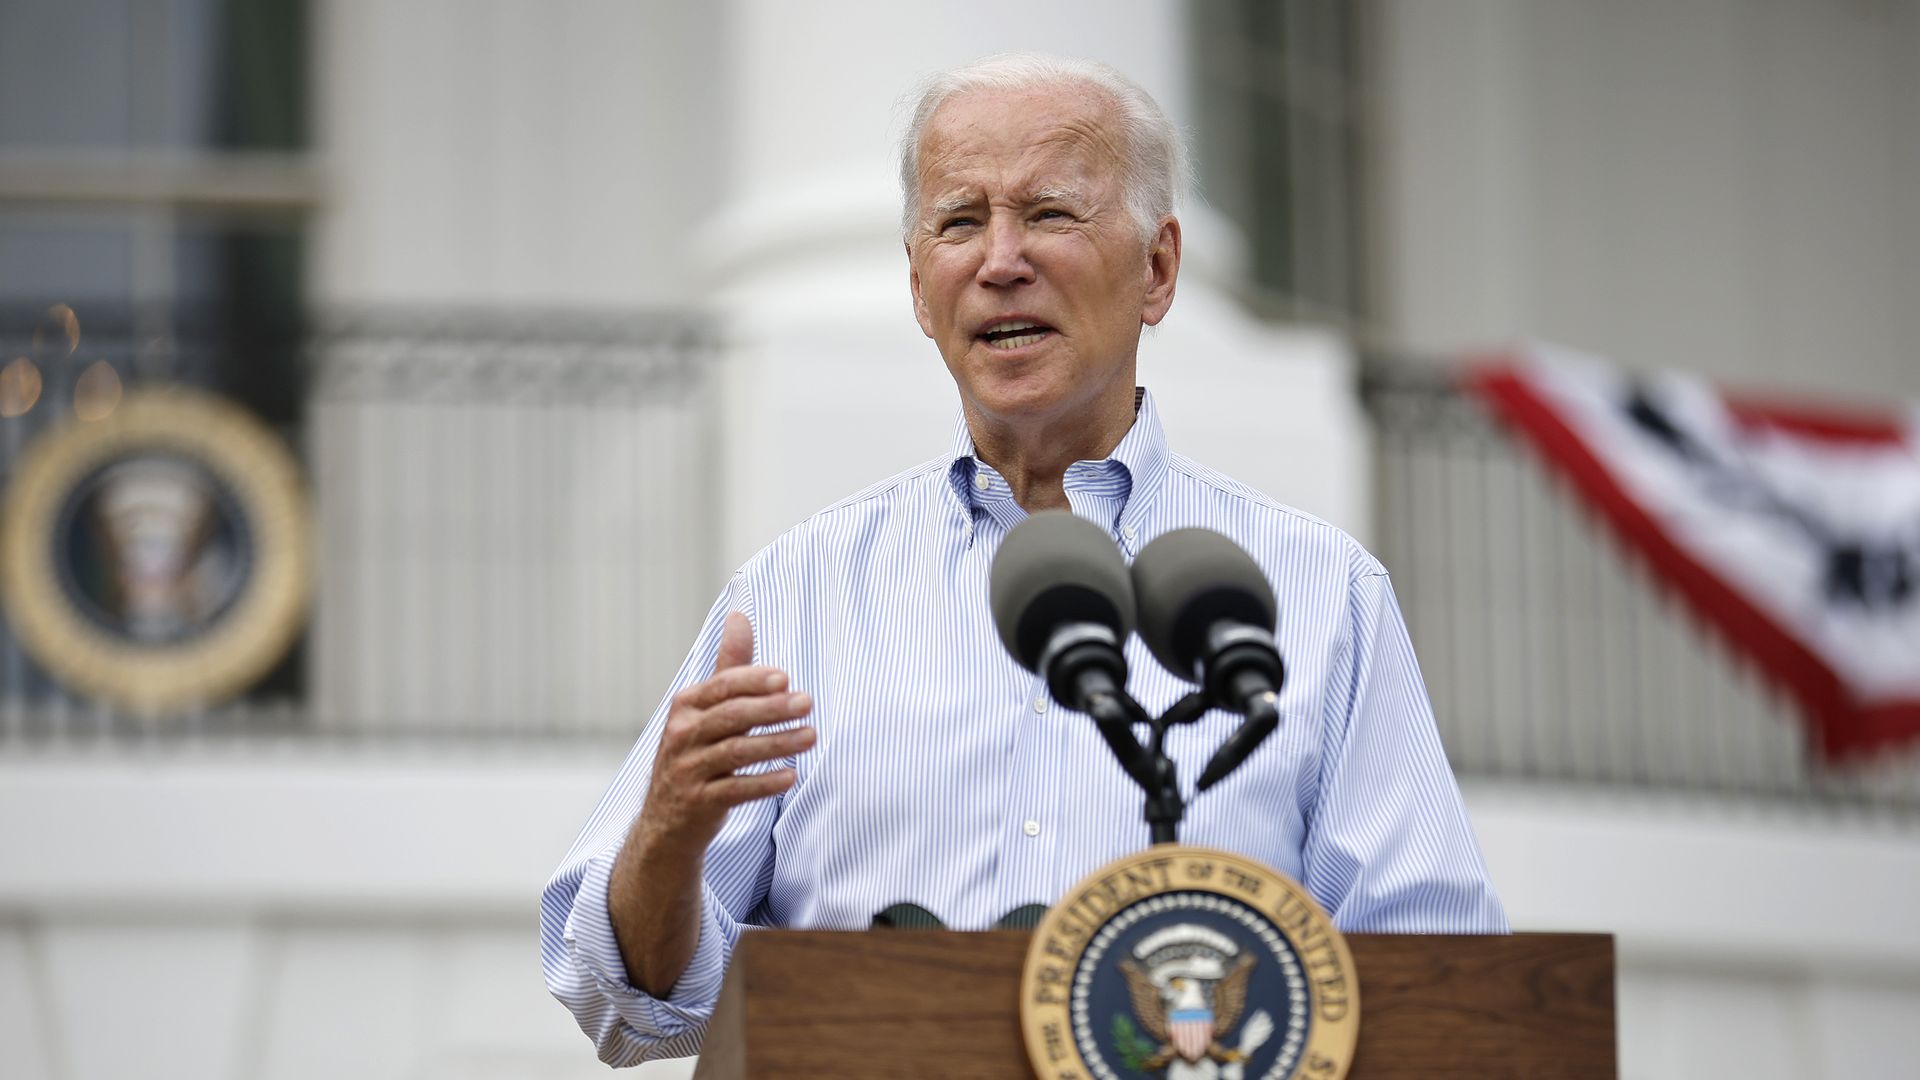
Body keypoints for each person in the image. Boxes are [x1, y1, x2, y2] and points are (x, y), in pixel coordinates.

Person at [541, 52, 1506, 1067]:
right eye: (961, 223)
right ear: (922, 288)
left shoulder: (1319, 593)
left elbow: (1443, 982)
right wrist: (668, 837)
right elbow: (624, 1004)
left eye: (1049, 214)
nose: (1000, 259)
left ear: (1159, 269)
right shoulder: (797, 592)